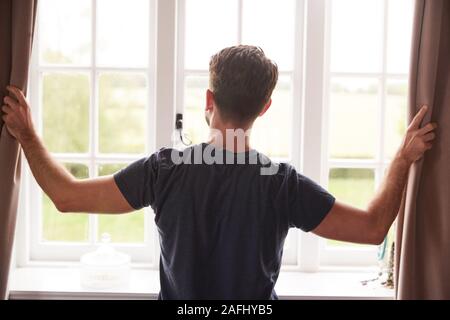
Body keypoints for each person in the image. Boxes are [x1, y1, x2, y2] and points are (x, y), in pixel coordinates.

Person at [1, 45, 437, 299]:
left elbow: (67, 196)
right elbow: (373, 227)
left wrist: (25, 133)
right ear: (264, 108)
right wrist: (402, 158)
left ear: (208, 101)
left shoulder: (165, 170)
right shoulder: (280, 183)